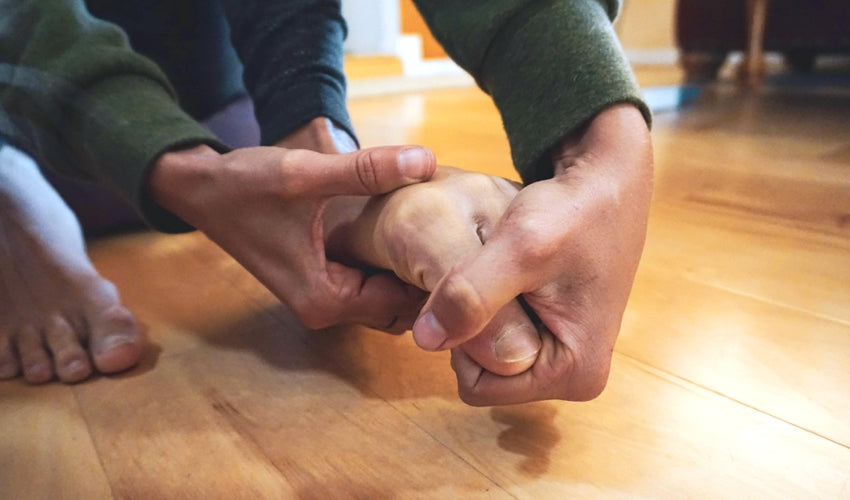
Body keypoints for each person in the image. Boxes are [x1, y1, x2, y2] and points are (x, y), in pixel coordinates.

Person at [0, 0, 652, 406]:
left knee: (250, 144)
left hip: (215, 103)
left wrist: (599, 127)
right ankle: (11, 182)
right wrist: (163, 158)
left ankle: (336, 194)